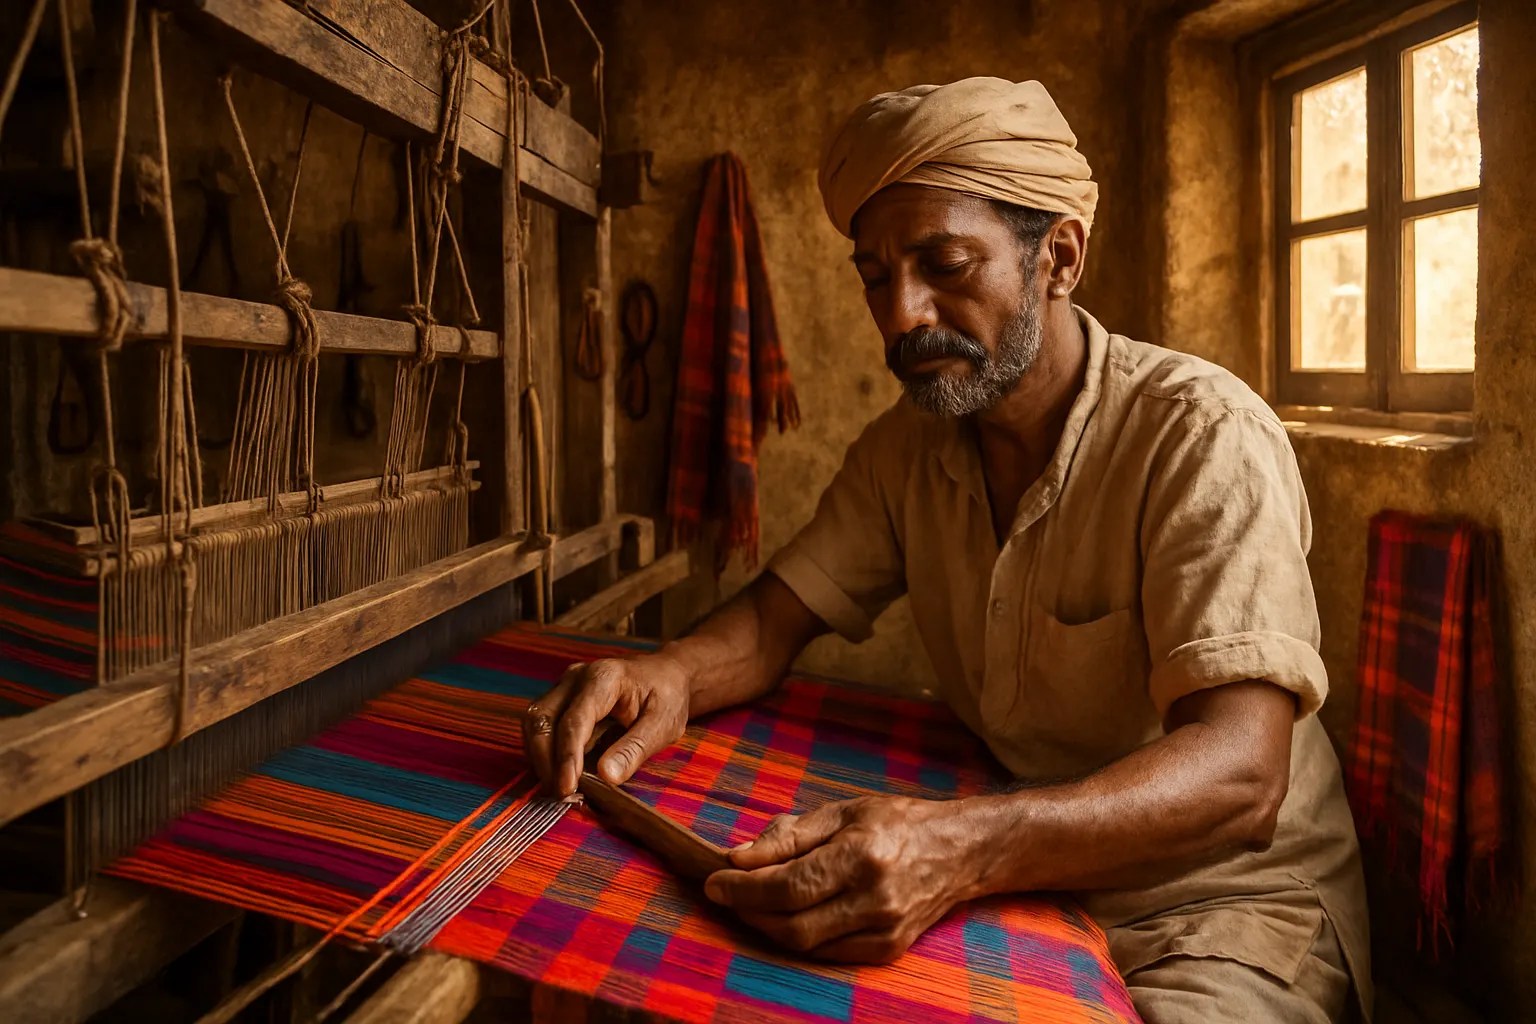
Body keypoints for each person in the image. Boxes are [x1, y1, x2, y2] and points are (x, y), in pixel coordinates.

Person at [522, 77, 1370, 1024]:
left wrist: (961, 847)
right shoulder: (908, 451)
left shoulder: (1201, 436)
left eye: (946, 264)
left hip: (1224, 910)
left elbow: (1243, 776)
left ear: (1059, 257)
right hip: (1029, 882)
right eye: (875, 276)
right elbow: (772, 620)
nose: (902, 315)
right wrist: (668, 675)